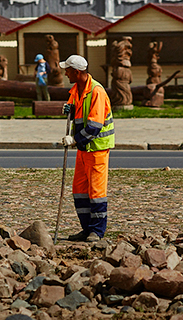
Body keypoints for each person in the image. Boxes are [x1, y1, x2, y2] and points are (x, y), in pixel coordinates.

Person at [60, 54, 115, 242]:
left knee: (97, 192)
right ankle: (87, 228)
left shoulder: (96, 92)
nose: (65, 74)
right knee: (79, 190)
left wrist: (74, 140)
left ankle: (97, 231)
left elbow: (94, 126)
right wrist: (69, 109)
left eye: (67, 71)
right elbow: (76, 111)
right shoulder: (76, 90)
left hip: (97, 149)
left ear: (77, 72)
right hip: (84, 149)